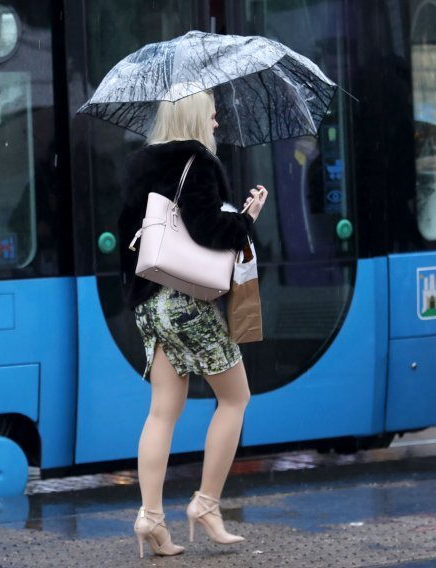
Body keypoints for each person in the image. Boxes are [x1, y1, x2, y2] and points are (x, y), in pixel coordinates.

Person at [117, 87, 268, 558]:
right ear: (195, 117)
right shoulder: (198, 163)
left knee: (163, 408)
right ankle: (205, 504)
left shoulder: (139, 163)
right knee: (235, 398)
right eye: (212, 114)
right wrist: (246, 218)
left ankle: (151, 517)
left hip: (149, 301)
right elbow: (208, 231)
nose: (217, 123)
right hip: (187, 303)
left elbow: (129, 233)